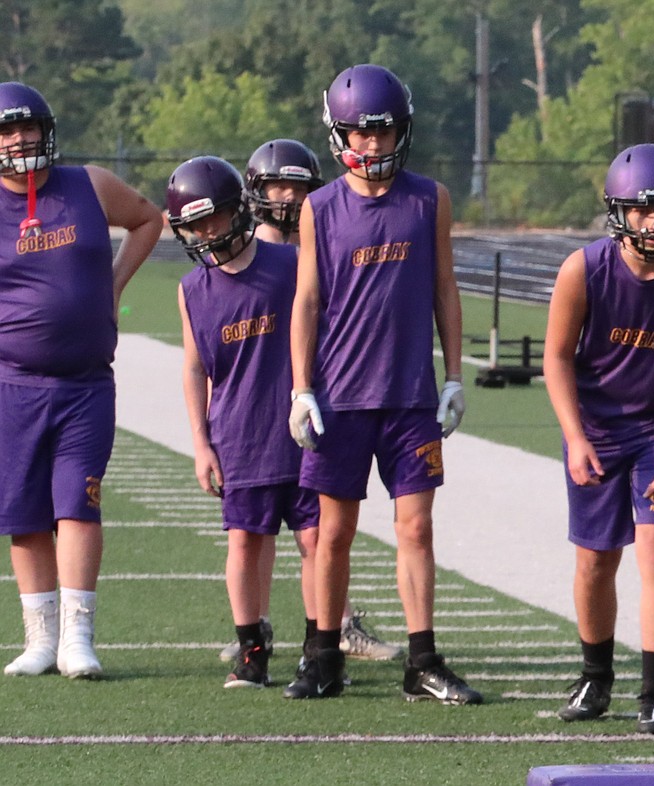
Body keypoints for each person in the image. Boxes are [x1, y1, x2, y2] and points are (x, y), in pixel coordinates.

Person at [287, 63, 480, 704]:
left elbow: (445, 289)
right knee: (333, 532)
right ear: (338, 134)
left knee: (416, 529)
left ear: (402, 132)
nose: (372, 145)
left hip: (409, 396)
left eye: (383, 131)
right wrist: (300, 387)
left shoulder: (430, 198)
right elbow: (308, 299)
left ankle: (422, 661)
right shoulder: (318, 206)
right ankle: (322, 656)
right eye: (360, 134)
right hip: (340, 395)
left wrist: (454, 376)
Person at [213, 139, 401, 666]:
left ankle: (335, 625)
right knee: (254, 532)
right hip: (255, 412)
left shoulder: (323, 239)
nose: (289, 196)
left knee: (320, 530)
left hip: (322, 401)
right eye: (278, 185)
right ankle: (257, 628)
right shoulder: (241, 256)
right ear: (255, 191)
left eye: (298, 186)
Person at [0, 82, 162, 679]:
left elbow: (148, 219)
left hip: (85, 384)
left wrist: (114, 285)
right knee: (24, 514)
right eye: (7, 131)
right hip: (12, 383)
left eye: (29, 127)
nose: (21, 140)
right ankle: (39, 640)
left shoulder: (89, 183)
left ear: (48, 129)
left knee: (78, 502)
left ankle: (77, 638)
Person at [543, 144, 654, 734]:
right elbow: (556, 358)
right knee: (594, 559)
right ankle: (595, 675)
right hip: (599, 427)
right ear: (619, 212)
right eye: (641, 211)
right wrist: (574, 435)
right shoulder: (583, 269)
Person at [169, 155, 320, 688]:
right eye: (195, 223)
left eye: (215, 217)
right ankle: (251, 649)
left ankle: (318, 648)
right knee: (244, 542)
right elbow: (193, 367)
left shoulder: (290, 264)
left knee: (316, 542)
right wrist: (200, 442)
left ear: (239, 210)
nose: (208, 232)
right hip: (238, 434)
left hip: (302, 433)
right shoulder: (192, 290)